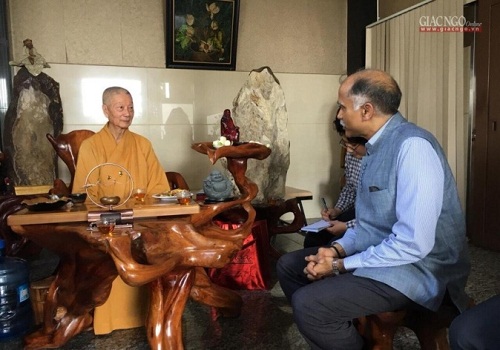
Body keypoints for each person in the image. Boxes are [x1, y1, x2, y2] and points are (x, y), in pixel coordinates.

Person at [277, 69, 470, 349]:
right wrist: (335, 250)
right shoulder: (373, 149)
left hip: (421, 269)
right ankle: (346, 334)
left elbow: (414, 244)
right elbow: (370, 224)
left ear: (366, 110)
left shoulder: (413, 147)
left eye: (343, 107)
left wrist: (338, 266)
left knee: (310, 305)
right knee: (290, 266)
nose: (339, 115)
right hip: (389, 257)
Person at [72, 86, 170, 334]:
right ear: (106, 110)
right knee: (110, 245)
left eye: (131, 107)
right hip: (105, 221)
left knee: (155, 244)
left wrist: (139, 209)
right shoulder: (91, 146)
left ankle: (152, 312)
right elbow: (84, 193)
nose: (127, 113)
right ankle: (107, 318)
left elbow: (159, 187)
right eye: (120, 107)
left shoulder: (143, 144)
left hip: (140, 218)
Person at [303, 114, 366, 248]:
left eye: (352, 144)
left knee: (334, 244)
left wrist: (346, 226)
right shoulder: (351, 154)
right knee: (313, 238)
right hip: (357, 211)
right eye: (345, 142)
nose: (348, 149)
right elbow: (350, 188)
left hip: (370, 220)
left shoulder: (381, 160)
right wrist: (337, 210)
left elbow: (380, 217)